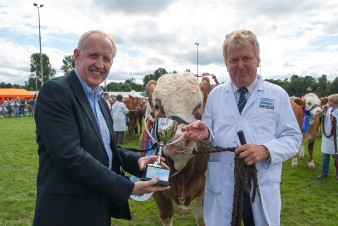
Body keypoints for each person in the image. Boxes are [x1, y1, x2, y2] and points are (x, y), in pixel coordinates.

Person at [33, 30, 169, 226]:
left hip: (98, 203)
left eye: (106, 58)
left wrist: (139, 161)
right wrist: (127, 187)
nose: (100, 64)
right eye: (93, 56)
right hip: (66, 211)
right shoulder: (56, 92)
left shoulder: (102, 102)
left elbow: (107, 149)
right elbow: (71, 156)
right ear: (77, 56)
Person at [183, 29, 302, 226]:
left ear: (258, 60)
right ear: (226, 63)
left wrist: (265, 150)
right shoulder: (216, 95)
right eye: (233, 60)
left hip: (260, 181)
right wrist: (206, 134)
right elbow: (210, 132)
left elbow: (293, 138)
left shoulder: (277, 95)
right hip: (223, 182)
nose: (240, 66)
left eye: (247, 58)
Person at [317, 93, 338, 180]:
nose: (328, 102)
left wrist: (335, 121)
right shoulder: (329, 110)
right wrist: (322, 114)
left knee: (336, 157)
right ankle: (324, 173)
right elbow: (323, 119)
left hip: (335, 138)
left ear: (335, 102)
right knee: (325, 156)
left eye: (330, 101)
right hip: (327, 138)